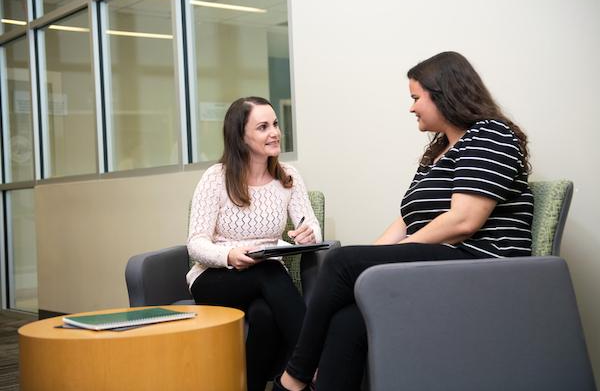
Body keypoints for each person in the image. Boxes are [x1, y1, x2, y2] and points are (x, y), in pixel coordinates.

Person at [274, 51, 534, 391]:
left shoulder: (490, 134)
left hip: (482, 266)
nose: (411, 108)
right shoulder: (438, 150)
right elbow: (405, 220)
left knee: (340, 259)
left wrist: (371, 260)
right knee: (346, 319)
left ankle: (294, 377)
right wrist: (372, 260)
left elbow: (464, 220)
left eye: (415, 98)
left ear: (443, 95)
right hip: (446, 262)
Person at [186, 96, 322, 391]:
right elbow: (195, 243)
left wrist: (309, 233)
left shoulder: (288, 176)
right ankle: (312, 365)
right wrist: (231, 254)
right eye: (262, 127)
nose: (274, 132)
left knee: (265, 315)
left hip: (265, 280)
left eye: (274, 124)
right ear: (241, 136)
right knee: (270, 271)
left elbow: (310, 225)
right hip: (216, 278)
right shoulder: (215, 178)